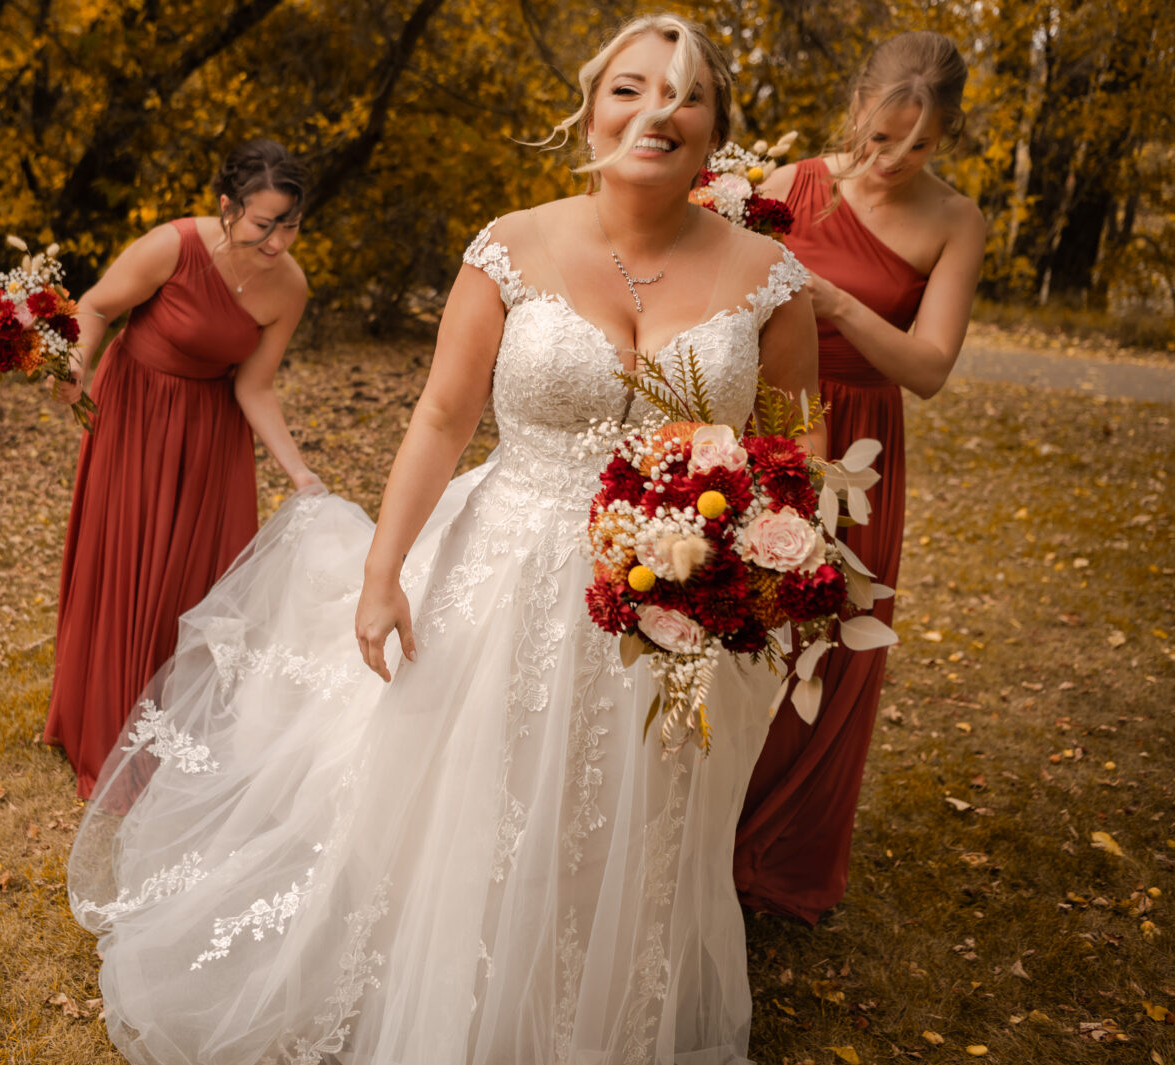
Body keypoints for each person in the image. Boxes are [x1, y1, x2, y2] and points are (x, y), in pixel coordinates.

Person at [67, 15, 818, 1063]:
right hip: (503, 572)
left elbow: (794, 448)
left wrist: (766, 568)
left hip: (680, 606)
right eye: (630, 88)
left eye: (686, 94)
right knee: (480, 801)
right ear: (591, 107)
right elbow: (439, 418)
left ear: (715, 128)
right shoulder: (512, 245)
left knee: (630, 817)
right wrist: (382, 574)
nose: (657, 111)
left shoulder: (767, 277)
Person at [734, 31, 986, 924]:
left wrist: (837, 304)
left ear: (945, 135)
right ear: (858, 110)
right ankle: (695, 836)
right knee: (738, 628)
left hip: (866, 441)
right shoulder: (775, 187)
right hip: (770, 424)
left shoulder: (955, 219)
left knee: (833, 649)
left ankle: (777, 862)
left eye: (918, 145)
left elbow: (928, 366)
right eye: (880, 138)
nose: (892, 161)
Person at [44, 139, 322, 804]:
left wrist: (300, 474)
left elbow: (254, 386)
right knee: (131, 569)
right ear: (227, 208)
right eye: (263, 224)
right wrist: (77, 364)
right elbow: (97, 305)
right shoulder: (172, 246)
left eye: (291, 224)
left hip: (212, 437)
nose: (279, 241)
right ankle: (106, 724)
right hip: (137, 412)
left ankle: (181, 729)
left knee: (202, 585)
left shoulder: (289, 287)